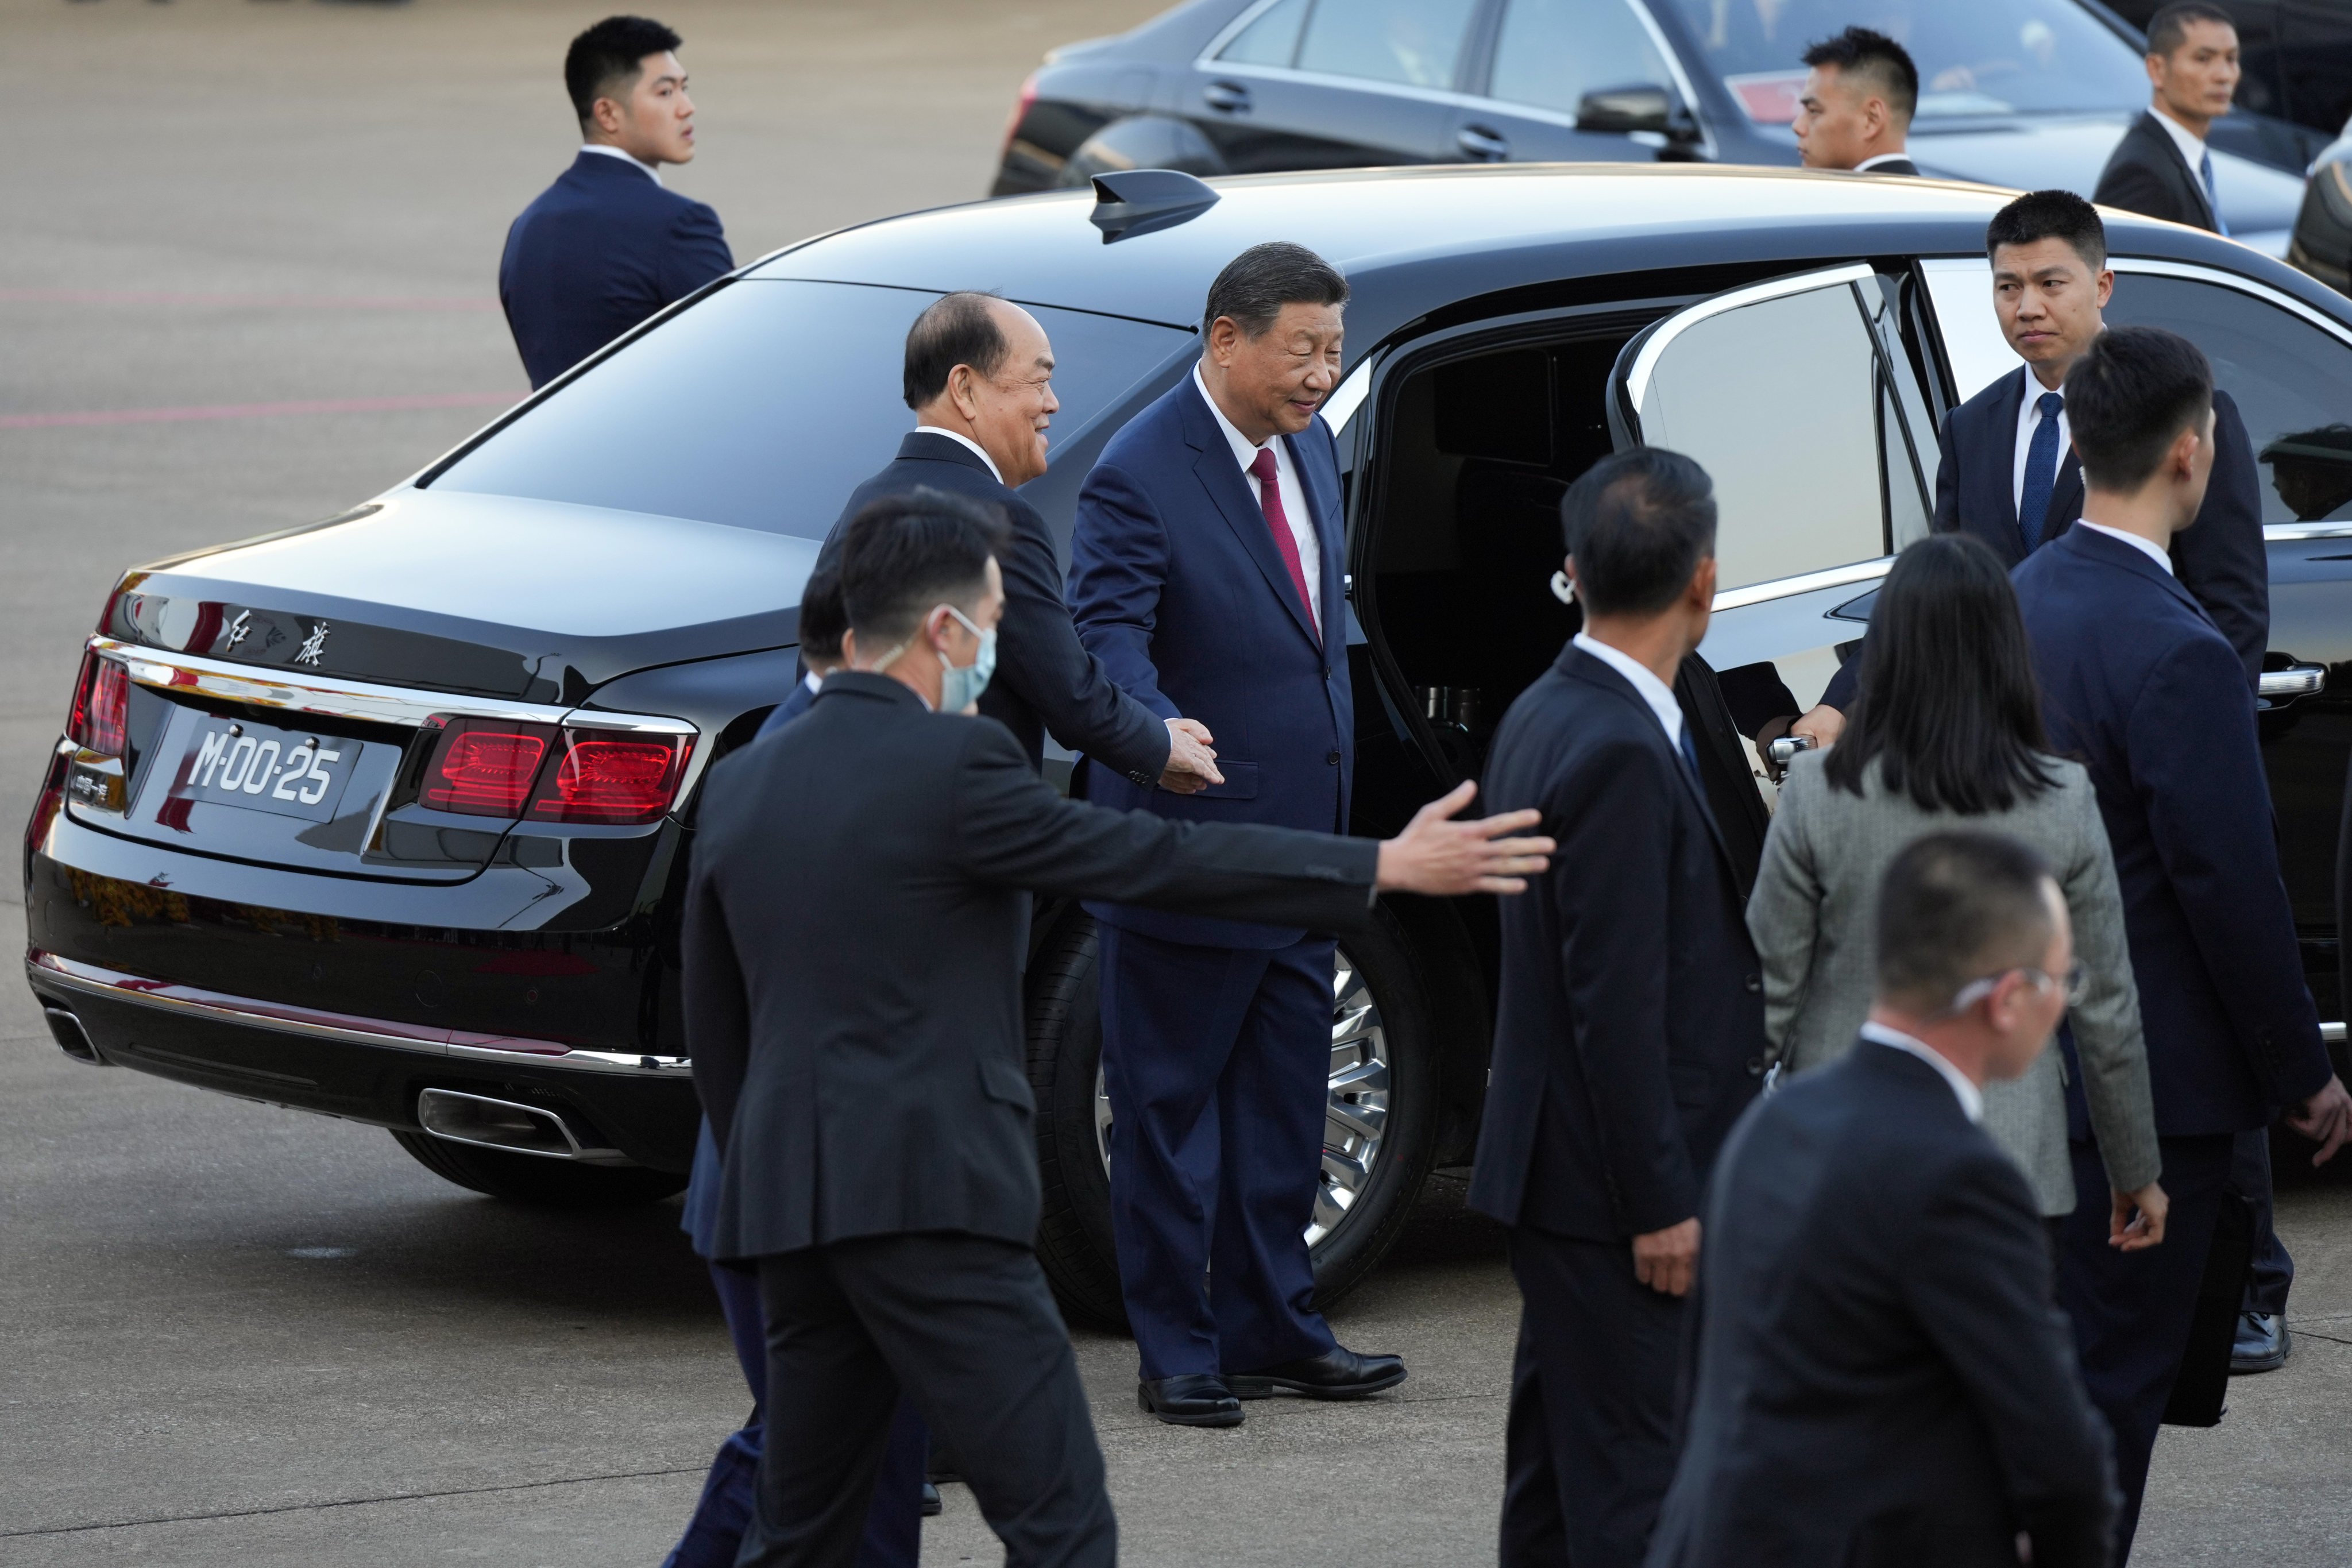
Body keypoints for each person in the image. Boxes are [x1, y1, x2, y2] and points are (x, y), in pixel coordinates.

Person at [688, 491, 1552, 1567]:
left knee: (803, 1524)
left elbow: (718, 1030)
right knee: (1060, 1519)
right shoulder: (955, 769)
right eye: (996, 629)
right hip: (937, 1212)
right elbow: (1158, 861)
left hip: (785, 1214)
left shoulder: (747, 780)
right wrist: (1376, 864)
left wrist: (774, 1167)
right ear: (946, 633)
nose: (998, 657)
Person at [2011, 325, 2352, 1558]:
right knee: (2106, 1412)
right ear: (2192, 457)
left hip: (2005, 1075)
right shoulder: (2179, 650)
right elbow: (2229, 888)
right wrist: (2301, 1076)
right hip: (2140, 1106)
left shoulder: (2014, 603)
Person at [1068, 242, 1394, 1426]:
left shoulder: (1308, 445)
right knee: (1167, 1119)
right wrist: (1155, 732)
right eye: (1302, 350)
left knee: (1284, 1110)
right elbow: (1103, 636)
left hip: (1303, 845)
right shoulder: (1138, 471)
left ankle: (1277, 1327)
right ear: (1225, 339)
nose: (1323, 373)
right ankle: (1178, 1349)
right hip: (1190, 841)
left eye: (1333, 349)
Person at [1647, 832, 2119, 1568]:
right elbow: (2060, 1459)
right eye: (2064, 981)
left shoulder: (1776, 1120)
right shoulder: (1962, 1178)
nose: (2063, 1004)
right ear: (2008, 999)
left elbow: (1703, 1382)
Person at [1467, 449, 1768, 1568]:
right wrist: (1662, 1205)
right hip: (1613, 1198)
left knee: (1558, 1477)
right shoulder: (1619, 751)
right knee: (1637, 1501)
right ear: (1702, 581)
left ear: (1570, 572)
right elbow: (1615, 1004)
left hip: (1559, 1180)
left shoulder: (1545, 709)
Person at [1748, 532, 2165, 1243]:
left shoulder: (1819, 793)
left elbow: (1773, 984)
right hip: (2008, 1165)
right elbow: (2105, 1008)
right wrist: (2134, 1168)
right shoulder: (2061, 797)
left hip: (1846, 1158)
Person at [665, 568, 933, 1568]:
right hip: (804, 1197)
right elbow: (726, 1022)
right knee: (835, 1462)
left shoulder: (846, 746)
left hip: (827, 1191)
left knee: (819, 1450)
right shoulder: (797, 768)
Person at [1793, 190, 2267, 744]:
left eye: (2050, 284)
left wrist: (2191, 745)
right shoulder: (1971, 429)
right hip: (2002, 769)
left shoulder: (2185, 412)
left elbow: (2232, 610)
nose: (2027, 308)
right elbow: (1946, 596)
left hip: (2134, 752)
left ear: (2102, 286)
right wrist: (1841, 703)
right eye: (2008, 287)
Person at [801, 293, 1216, 793]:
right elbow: (1067, 690)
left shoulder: (864, 500)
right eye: (1039, 380)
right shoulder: (998, 518)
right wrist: (1159, 745)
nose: (1052, 403)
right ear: (965, 388)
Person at [499, 16, 733, 389]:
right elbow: (739, 360)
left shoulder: (528, 226)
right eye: (665, 92)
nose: (687, 107)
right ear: (607, 113)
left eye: (684, 88)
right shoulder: (679, 224)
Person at [2094, 2, 2242, 235]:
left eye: (2231, 59)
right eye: (2204, 59)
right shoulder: (2141, 174)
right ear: (2157, 70)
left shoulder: (2183, 155)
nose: (2223, 75)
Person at [1792, 27, 1920, 175]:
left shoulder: (1851, 197)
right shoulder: (1931, 195)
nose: (1797, 127)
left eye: (1814, 111)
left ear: (1871, 119)